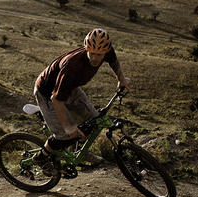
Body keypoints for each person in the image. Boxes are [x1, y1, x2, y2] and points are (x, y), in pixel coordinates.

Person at [33, 28, 131, 167]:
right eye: (92, 53)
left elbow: (113, 61)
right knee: (65, 136)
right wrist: (69, 127)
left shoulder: (106, 50)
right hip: (47, 93)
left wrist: (121, 78)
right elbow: (57, 99)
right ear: (86, 48)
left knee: (94, 120)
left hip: (70, 88)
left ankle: (81, 152)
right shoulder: (72, 66)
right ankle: (40, 158)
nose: (95, 58)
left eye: (99, 54)